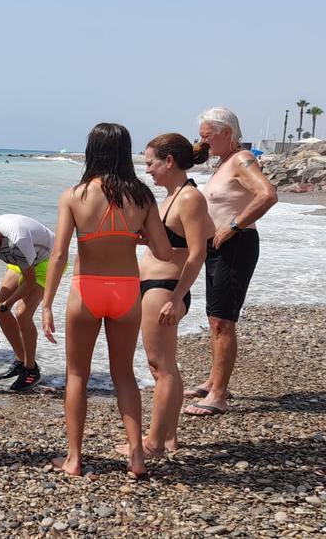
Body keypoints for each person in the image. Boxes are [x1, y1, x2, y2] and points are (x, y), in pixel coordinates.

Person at [40, 123, 172, 477]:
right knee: (125, 375)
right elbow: (162, 250)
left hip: (87, 289)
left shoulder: (74, 195)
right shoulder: (143, 196)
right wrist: (136, 235)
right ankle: (137, 457)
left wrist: (47, 302)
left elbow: (58, 255)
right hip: (127, 290)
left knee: (77, 376)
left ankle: (73, 458)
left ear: (91, 151)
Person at [121, 133, 214, 458]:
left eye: (150, 163)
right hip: (159, 285)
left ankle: (154, 443)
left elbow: (198, 252)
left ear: (169, 161)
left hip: (166, 289)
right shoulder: (175, 196)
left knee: (160, 366)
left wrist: (177, 297)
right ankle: (169, 437)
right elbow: (201, 234)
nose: (146, 170)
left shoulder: (189, 198)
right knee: (167, 366)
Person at [185, 107, 277, 417]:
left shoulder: (241, 159)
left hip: (236, 245)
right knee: (215, 317)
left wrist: (234, 225)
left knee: (224, 320)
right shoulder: (223, 163)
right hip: (217, 246)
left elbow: (267, 194)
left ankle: (220, 395)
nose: (202, 141)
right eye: (201, 135)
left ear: (228, 134)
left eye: (207, 135)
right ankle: (213, 381)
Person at [0, 214, 56, 391]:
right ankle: (21, 360)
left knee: (22, 313)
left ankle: (31, 371)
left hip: (47, 260)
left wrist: (6, 304)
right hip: (22, 261)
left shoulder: (18, 241)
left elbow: (29, 281)